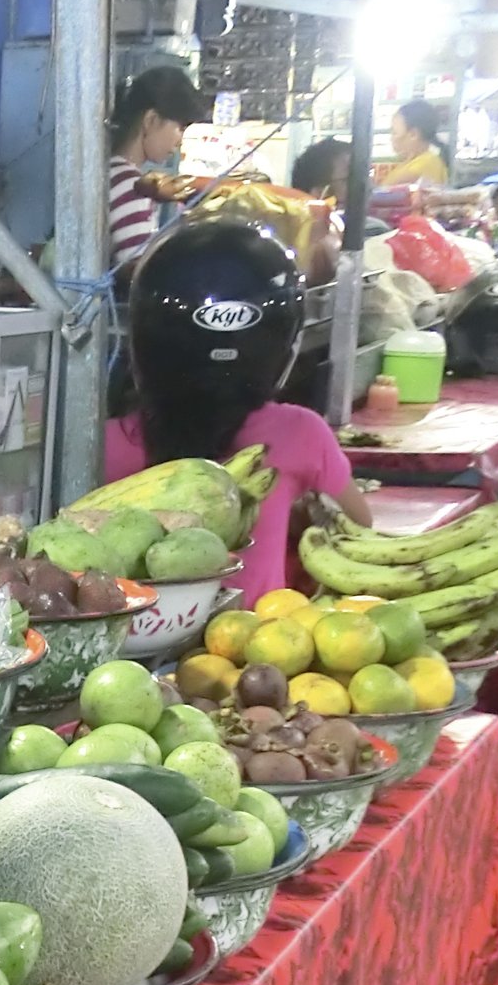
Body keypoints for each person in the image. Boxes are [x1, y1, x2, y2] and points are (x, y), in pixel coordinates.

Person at [105, 219, 371, 607]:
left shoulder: (105, 443)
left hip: (135, 650)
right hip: (254, 651)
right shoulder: (301, 434)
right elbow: (359, 527)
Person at [107, 66, 212, 271]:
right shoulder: (132, 187)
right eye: (180, 127)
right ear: (151, 120)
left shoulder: (111, 173)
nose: (180, 140)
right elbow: (138, 275)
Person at [379, 101, 450, 188]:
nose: (391, 138)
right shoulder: (413, 161)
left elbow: (384, 191)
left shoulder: (427, 162)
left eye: (395, 133)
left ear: (413, 134)